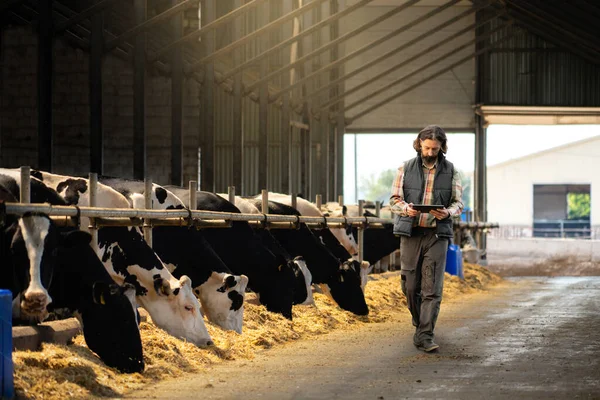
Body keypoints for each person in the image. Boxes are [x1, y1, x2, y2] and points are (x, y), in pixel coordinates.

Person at [389, 125, 464, 352]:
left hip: (436, 235)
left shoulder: (452, 171)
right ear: (419, 144)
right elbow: (393, 200)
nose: (430, 152)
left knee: (432, 288)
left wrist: (447, 213)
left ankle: (425, 334)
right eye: (427, 147)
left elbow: (458, 203)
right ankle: (420, 321)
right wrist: (405, 209)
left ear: (442, 147)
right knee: (410, 286)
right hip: (411, 233)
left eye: (435, 149)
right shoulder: (404, 168)